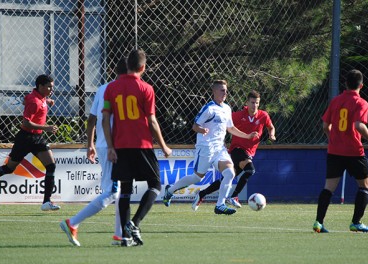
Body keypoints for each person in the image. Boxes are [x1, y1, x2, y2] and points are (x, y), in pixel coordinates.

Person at [102, 49, 172, 247]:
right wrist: (164, 146)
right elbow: (151, 120)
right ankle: (135, 223)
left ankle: (125, 237)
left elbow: (106, 118)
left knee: (125, 189)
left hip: (121, 146)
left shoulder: (111, 88)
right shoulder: (146, 88)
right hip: (141, 145)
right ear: (143, 67)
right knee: (156, 185)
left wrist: (110, 146)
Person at [162, 80, 259, 215]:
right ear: (214, 91)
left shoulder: (227, 108)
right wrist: (202, 130)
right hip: (206, 148)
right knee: (197, 178)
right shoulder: (209, 108)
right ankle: (170, 191)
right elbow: (195, 126)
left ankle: (220, 205)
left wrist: (247, 136)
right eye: (221, 90)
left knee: (230, 173)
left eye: (226, 90)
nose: (225, 93)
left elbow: (230, 128)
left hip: (219, 148)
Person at [60, 58, 127, 247]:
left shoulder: (102, 88)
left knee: (120, 192)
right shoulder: (122, 90)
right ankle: (72, 222)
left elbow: (91, 119)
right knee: (113, 192)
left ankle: (119, 235)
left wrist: (91, 144)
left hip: (106, 145)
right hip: (113, 147)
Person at [0, 74, 60, 211]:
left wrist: (48, 100)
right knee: (9, 168)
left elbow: (25, 100)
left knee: (51, 166)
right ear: (41, 86)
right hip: (25, 138)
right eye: (49, 87)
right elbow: (26, 123)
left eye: (52, 87)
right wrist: (47, 128)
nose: (51, 89)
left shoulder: (38, 97)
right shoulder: (34, 101)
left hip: (38, 138)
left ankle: (46, 202)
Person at [313, 69, 368, 233]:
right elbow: (359, 125)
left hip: (335, 151)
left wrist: (333, 138)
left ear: (345, 84)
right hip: (354, 151)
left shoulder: (335, 101)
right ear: (361, 85)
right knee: (365, 185)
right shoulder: (361, 103)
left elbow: (324, 126)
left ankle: (318, 223)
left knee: (328, 187)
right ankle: (356, 222)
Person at [192, 90, 275, 211]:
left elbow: (270, 127)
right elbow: (225, 124)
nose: (254, 105)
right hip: (237, 150)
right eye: (252, 102)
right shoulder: (238, 115)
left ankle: (202, 194)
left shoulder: (263, 115)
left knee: (227, 178)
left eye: (257, 103)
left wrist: (272, 135)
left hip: (250, 152)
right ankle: (234, 196)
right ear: (247, 102)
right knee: (250, 170)